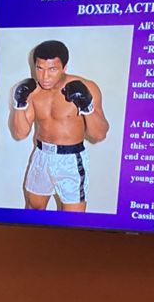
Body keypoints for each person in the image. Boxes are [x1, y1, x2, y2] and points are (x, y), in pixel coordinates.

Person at [8, 40, 109, 211]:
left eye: (52, 69)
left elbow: (99, 135)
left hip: (71, 160)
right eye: (40, 68)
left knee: (72, 220)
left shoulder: (87, 87)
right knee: (33, 210)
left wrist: (87, 107)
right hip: (42, 156)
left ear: (64, 67)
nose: (45, 77)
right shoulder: (33, 92)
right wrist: (19, 105)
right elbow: (20, 133)